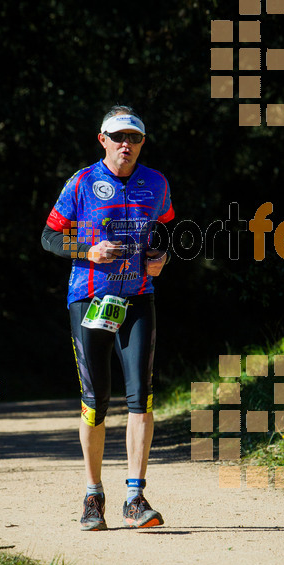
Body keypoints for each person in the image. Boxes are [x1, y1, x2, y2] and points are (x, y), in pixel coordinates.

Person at [42, 105, 174, 531]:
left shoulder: (156, 183)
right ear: (102, 140)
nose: (126, 145)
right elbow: (49, 235)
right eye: (118, 137)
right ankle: (93, 495)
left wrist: (161, 255)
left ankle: (135, 498)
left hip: (139, 298)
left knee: (142, 397)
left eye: (134, 138)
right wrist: (87, 251)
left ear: (141, 143)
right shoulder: (81, 182)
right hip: (90, 300)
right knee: (96, 402)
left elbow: (165, 228)